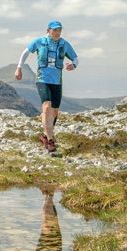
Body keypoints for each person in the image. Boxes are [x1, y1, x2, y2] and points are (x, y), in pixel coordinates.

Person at [15, 20, 78, 154]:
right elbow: (26, 52)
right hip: (42, 79)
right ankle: (50, 141)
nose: (57, 32)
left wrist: (73, 65)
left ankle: (45, 135)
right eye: (55, 30)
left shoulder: (64, 44)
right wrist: (19, 68)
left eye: (59, 30)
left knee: (54, 112)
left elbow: (75, 58)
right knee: (46, 106)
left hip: (57, 81)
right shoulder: (39, 41)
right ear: (48, 30)